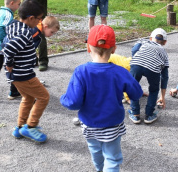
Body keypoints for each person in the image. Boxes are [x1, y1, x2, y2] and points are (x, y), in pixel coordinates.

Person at [60, 25, 143, 172]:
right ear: (114, 49)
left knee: (96, 153)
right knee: (112, 159)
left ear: (88, 48)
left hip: (90, 125)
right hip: (112, 124)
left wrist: (63, 98)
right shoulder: (120, 72)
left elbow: (73, 102)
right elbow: (136, 93)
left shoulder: (81, 71)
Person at [3, 0, 52, 143]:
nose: (40, 22)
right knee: (44, 97)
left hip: (16, 75)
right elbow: (9, 48)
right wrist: (9, 63)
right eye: (39, 19)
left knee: (28, 98)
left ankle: (19, 127)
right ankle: (30, 126)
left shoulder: (14, 25)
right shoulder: (25, 34)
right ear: (31, 18)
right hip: (23, 74)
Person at [128, 28, 169, 124]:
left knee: (133, 87)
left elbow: (134, 50)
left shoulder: (143, 41)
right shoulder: (164, 52)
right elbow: (165, 76)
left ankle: (135, 114)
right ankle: (149, 115)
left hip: (136, 64)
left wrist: (138, 58)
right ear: (165, 42)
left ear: (150, 38)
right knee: (153, 90)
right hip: (153, 69)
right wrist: (162, 96)